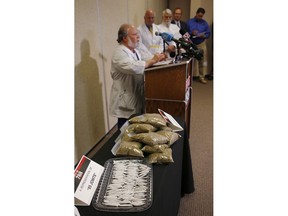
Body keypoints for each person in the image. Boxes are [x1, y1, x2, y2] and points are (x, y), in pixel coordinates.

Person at [109, 24, 166, 128]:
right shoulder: (119, 53)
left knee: (134, 126)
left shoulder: (134, 51)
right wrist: (152, 60)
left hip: (135, 94)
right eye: (135, 34)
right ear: (125, 38)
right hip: (125, 98)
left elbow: (145, 60)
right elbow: (133, 67)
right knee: (125, 128)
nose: (138, 37)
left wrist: (157, 58)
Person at [187, 7, 211, 84]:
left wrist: (204, 36)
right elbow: (185, 32)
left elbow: (208, 33)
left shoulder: (205, 23)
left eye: (201, 16)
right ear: (196, 14)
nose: (200, 17)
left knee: (202, 61)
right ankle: (189, 77)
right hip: (191, 43)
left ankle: (201, 77)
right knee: (191, 61)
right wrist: (191, 33)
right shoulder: (189, 22)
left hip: (201, 43)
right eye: (199, 15)